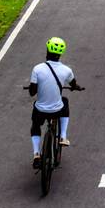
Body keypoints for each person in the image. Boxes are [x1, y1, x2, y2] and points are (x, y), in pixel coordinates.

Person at [28, 37, 84, 170]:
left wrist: (35, 86)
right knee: (65, 101)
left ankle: (36, 153)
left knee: (35, 126)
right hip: (57, 110)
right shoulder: (66, 70)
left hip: (41, 110)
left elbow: (32, 92)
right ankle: (63, 136)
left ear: (47, 50)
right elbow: (73, 84)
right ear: (61, 53)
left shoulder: (37, 69)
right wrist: (76, 87)